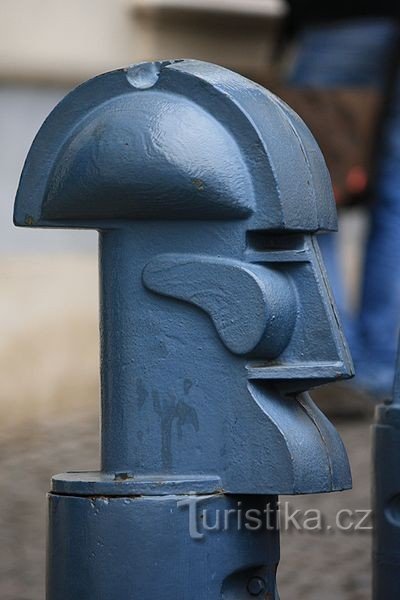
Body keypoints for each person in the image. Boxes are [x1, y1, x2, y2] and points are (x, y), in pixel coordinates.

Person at [286, 2, 400, 398]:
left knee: (307, 191)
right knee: (395, 205)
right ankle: (382, 369)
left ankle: (337, 366)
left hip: (345, 17)